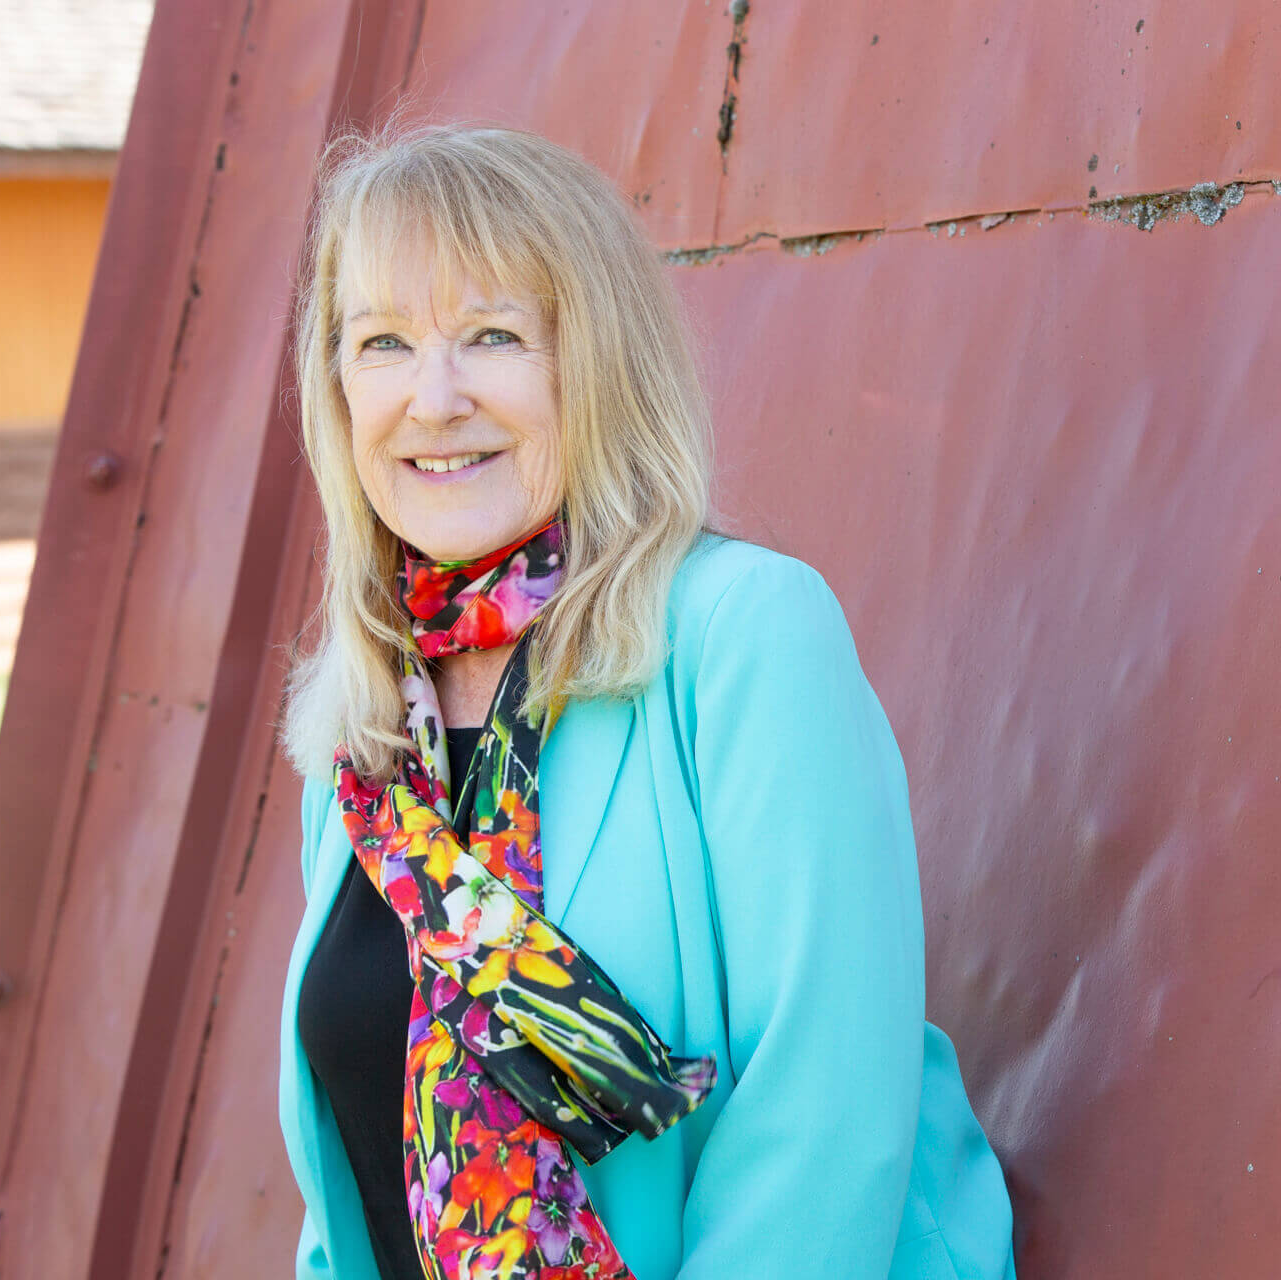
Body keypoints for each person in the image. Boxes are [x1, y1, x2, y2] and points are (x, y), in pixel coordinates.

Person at [277, 118, 1016, 1280]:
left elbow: (825, 1118)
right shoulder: (367, 738)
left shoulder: (743, 635)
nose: (434, 397)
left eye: (493, 335)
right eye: (382, 343)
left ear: (598, 363)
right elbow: (349, 1202)